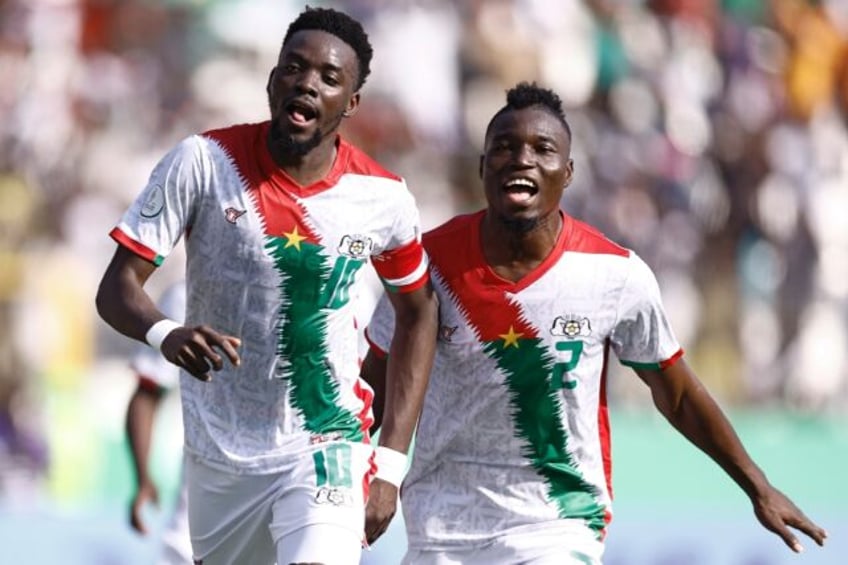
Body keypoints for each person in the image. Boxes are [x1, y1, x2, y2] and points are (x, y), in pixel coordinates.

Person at [362, 82, 828, 564]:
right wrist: (351, 473)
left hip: (558, 526)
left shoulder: (613, 275)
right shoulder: (427, 264)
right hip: (442, 527)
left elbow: (679, 394)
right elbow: (374, 387)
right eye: (504, 147)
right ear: (482, 168)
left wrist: (758, 486)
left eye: (543, 149)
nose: (521, 158)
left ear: (567, 174)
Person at [95, 7, 438, 565]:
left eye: (329, 77)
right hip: (220, 454)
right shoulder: (203, 163)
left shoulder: (384, 198)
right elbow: (116, 287)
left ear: (351, 103)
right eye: (294, 68)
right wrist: (165, 333)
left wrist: (392, 464)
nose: (307, 82)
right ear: (273, 80)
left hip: (326, 443)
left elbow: (419, 315)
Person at [125, 280, 192, 565]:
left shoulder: (332, 277)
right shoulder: (186, 294)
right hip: (208, 481)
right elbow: (147, 391)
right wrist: (142, 477)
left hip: (310, 470)